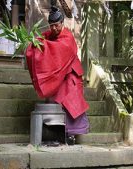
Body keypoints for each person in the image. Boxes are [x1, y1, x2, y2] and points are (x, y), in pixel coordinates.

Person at [26, 6, 89, 145]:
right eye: (52, 25)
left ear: (62, 23)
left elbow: (59, 49)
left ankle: (72, 134)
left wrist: (44, 45)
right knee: (56, 101)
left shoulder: (67, 37)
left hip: (70, 75)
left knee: (71, 101)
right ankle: (57, 133)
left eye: (57, 25)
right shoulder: (49, 34)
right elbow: (41, 40)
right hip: (60, 76)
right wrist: (34, 43)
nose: (54, 28)